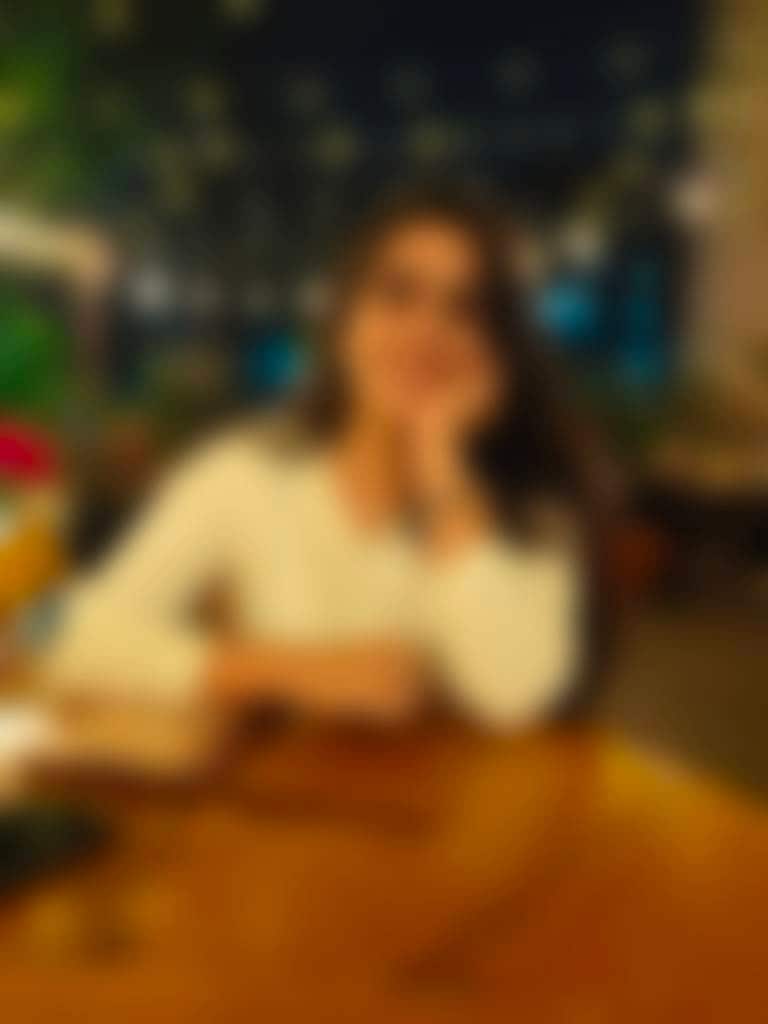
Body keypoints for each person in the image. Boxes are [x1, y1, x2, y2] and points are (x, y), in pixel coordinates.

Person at [41, 186, 609, 729]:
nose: (426, 329)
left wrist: (442, 468)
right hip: (286, 793)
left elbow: (515, 698)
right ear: (343, 321)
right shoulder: (248, 474)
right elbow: (65, 636)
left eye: (465, 309)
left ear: (500, 349)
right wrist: (290, 671)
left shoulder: (528, 500)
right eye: (398, 294)